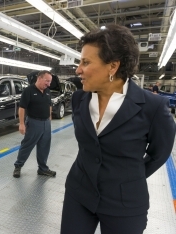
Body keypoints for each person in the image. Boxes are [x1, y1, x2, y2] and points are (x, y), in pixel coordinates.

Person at [60, 24, 176, 234]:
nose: (78, 69)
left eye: (85, 62)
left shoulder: (153, 107)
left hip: (125, 201)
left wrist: (129, 176)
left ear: (112, 67)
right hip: (79, 193)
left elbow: (160, 153)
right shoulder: (79, 99)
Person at [13, 70, 56, 178]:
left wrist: (49, 117)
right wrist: (21, 124)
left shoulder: (47, 91)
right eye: (47, 81)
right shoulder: (28, 91)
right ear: (39, 78)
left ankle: (42, 169)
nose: (49, 84)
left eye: (50, 82)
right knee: (27, 146)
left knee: (44, 147)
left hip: (46, 123)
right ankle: (18, 166)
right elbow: (22, 108)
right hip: (33, 123)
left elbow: (49, 105)